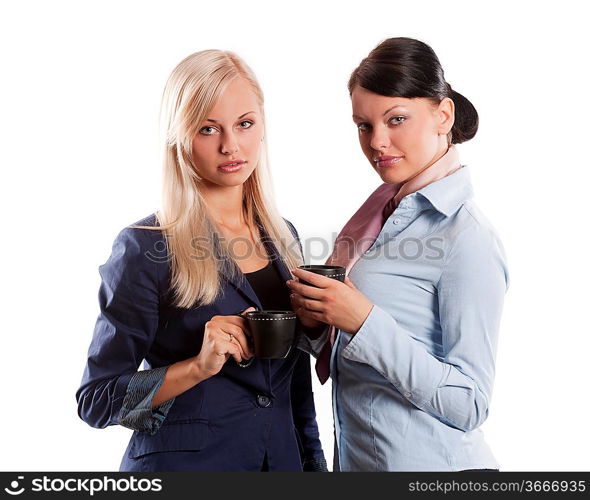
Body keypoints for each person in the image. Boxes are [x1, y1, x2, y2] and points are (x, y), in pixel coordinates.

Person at [76, 50, 327, 472]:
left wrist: (314, 470)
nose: (231, 145)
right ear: (179, 137)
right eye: (208, 129)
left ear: (262, 125)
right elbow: (97, 401)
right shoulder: (144, 248)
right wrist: (197, 366)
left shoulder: (284, 236)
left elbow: (294, 383)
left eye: (244, 124)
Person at [287, 37, 509, 472]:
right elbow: (357, 347)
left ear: (443, 115)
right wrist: (317, 322)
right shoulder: (381, 215)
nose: (377, 142)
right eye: (363, 125)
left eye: (397, 119)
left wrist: (363, 321)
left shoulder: (467, 238)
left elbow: (470, 404)